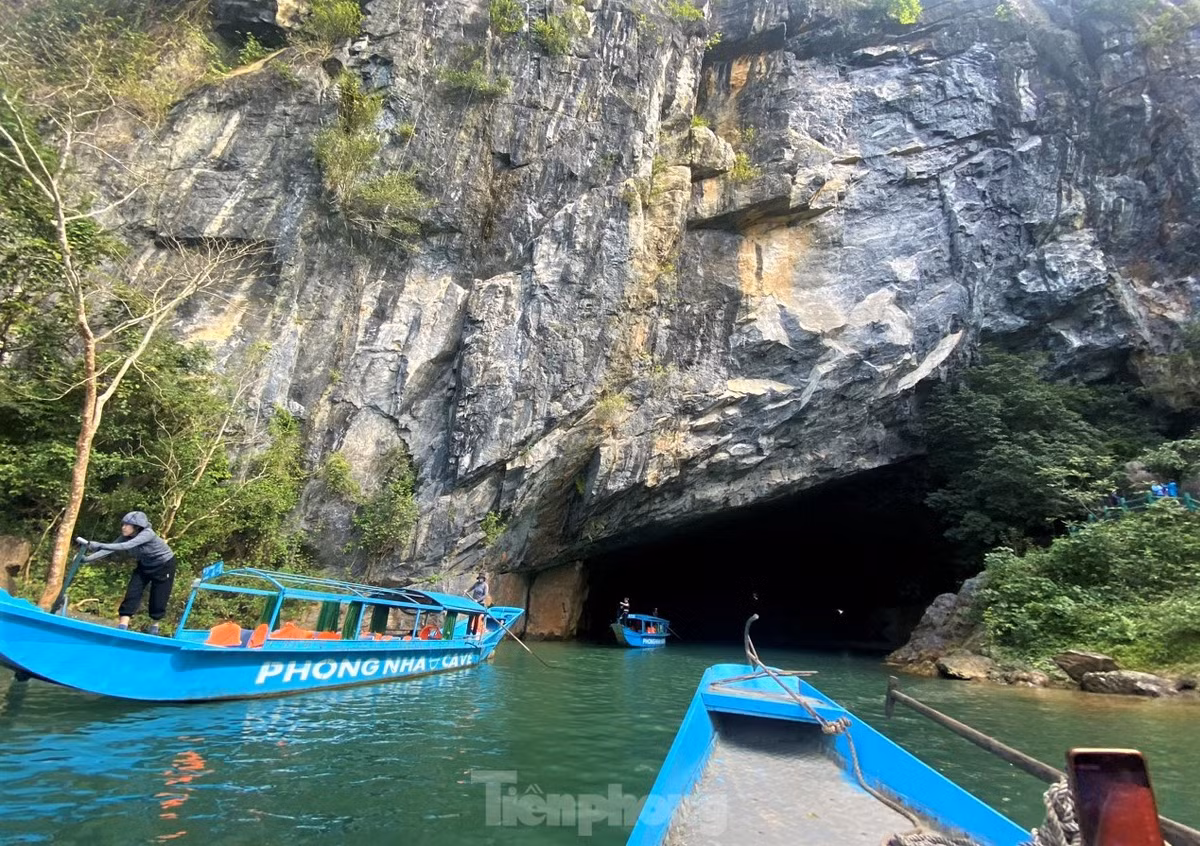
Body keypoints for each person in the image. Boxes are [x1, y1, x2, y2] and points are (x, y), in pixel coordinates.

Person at [76, 511, 177, 635]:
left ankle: (154, 627)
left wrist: (97, 545)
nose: (123, 527)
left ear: (137, 527)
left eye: (127, 525)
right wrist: (87, 559)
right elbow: (108, 550)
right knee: (133, 591)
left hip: (164, 565)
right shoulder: (125, 536)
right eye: (123, 524)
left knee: (159, 595)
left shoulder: (147, 534)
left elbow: (125, 546)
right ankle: (123, 625)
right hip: (144, 564)